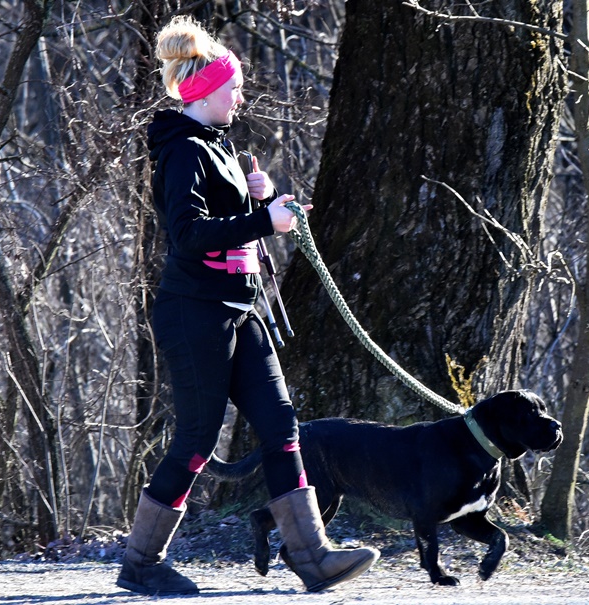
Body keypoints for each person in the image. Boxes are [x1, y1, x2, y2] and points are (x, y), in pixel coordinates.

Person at [116, 15, 378, 596]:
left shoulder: (217, 144)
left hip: (240, 308)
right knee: (197, 440)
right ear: (206, 91)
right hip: (196, 312)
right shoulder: (184, 150)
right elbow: (187, 234)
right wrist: (264, 219)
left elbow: (225, 214)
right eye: (233, 87)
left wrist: (255, 194)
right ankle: (140, 563)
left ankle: (312, 558)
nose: (240, 95)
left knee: (282, 428)